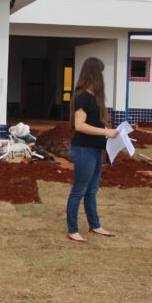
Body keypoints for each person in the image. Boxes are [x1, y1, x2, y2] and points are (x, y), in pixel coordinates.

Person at [65, 57, 119, 243]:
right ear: (95, 74)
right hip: (83, 149)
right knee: (79, 190)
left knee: (92, 189)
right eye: (101, 72)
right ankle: (73, 230)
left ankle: (95, 225)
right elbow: (79, 125)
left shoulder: (94, 97)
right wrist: (105, 131)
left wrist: (111, 130)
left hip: (95, 149)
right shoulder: (83, 97)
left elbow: (94, 123)